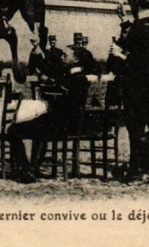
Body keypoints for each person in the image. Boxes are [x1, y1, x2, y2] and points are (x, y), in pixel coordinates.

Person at [9, 43, 91, 183]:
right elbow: (48, 69)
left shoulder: (78, 78)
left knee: (27, 130)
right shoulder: (69, 74)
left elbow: (55, 77)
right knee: (16, 129)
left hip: (66, 124)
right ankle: (27, 169)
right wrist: (36, 49)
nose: (62, 57)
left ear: (76, 60)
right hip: (57, 121)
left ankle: (30, 170)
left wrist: (52, 86)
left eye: (65, 55)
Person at [110, 0, 149, 184]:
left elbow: (138, 62)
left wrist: (119, 55)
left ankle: (138, 171)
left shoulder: (141, 27)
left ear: (136, 4)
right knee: (148, 125)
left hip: (137, 85)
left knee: (136, 128)